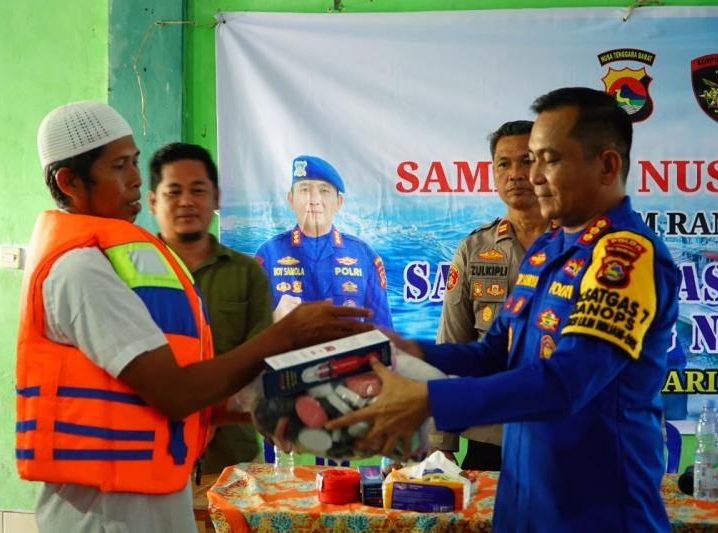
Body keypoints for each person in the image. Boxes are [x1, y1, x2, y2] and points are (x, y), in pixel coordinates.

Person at [327, 87, 680, 531]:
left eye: (549, 159)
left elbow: (567, 382)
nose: (533, 176)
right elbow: (494, 354)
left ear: (607, 165)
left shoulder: (625, 258)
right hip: (524, 501)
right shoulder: (549, 250)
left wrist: (428, 400)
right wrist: (402, 349)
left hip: (597, 511)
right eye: (531, 160)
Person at [15, 101, 373, 533]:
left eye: (134, 162)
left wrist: (274, 405)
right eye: (119, 166)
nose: (135, 178)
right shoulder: (78, 270)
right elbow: (174, 392)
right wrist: (286, 334)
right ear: (69, 181)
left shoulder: (124, 260)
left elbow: (163, 394)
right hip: (103, 514)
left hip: (154, 496)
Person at [148, 142, 273, 474]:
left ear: (216, 198)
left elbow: (260, 362)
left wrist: (215, 414)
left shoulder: (247, 273)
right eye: (173, 192)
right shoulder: (132, 274)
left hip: (234, 459)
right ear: (153, 202)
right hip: (153, 453)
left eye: (198, 190)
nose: (186, 201)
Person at [434, 120, 551, 471]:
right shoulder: (474, 249)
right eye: (504, 164)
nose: (515, 174)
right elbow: (452, 347)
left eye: (526, 161)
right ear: (494, 175)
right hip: (490, 437)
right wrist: (441, 444)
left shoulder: (583, 245)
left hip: (566, 433)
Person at [254, 155, 393, 328]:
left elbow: (383, 331)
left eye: (324, 191)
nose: (314, 201)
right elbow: (247, 335)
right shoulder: (268, 255)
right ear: (291, 199)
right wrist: (274, 320)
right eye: (305, 190)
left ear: (339, 202)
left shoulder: (364, 256)